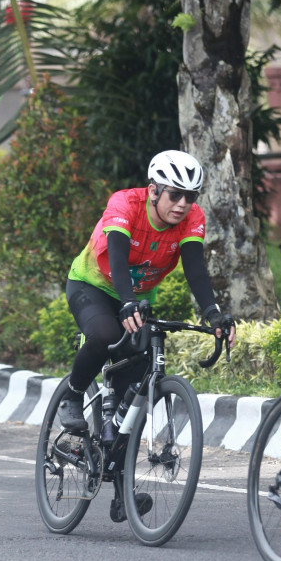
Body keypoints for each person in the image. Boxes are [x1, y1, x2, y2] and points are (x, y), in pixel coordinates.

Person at [62, 150, 236, 521]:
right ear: (154, 190)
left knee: (135, 388)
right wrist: (126, 302)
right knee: (104, 333)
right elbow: (118, 257)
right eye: (175, 194)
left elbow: (195, 270)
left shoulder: (192, 218)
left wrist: (213, 314)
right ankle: (73, 395)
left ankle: (121, 494)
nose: (183, 204)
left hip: (136, 299)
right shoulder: (125, 204)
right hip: (93, 285)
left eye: (191, 196)